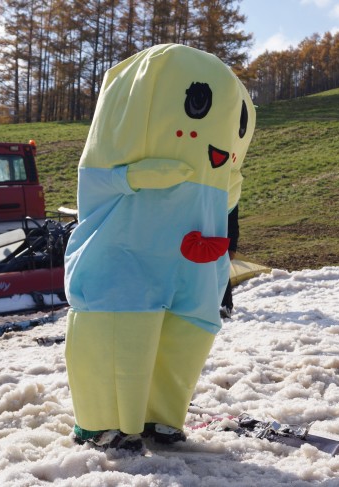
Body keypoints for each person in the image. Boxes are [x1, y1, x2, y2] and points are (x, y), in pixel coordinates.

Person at [63, 44, 256, 452]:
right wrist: (132, 176)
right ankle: (108, 421)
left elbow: (227, 199)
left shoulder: (220, 171)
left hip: (194, 268)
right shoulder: (117, 164)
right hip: (128, 260)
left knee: (185, 336)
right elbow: (96, 182)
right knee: (122, 333)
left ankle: (161, 416)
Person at [220, 204, 239, 319]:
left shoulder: (230, 197)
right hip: (204, 239)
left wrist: (232, 248)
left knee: (222, 271)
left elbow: (233, 224)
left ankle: (226, 306)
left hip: (222, 242)